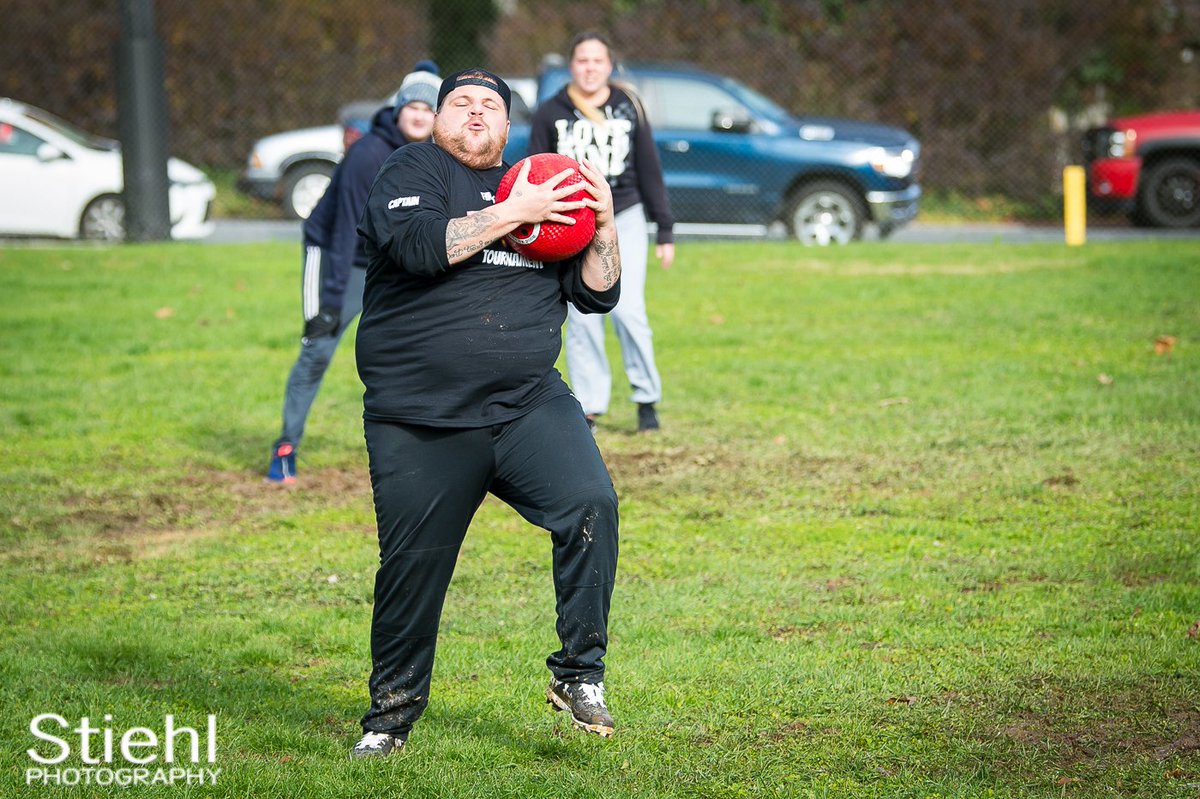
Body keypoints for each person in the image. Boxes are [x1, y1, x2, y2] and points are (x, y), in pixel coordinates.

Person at [349, 69, 623, 758]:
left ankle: (579, 673)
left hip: (528, 404)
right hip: (422, 418)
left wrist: (601, 225)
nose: (476, 113)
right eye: (461, 103)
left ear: (509, 126)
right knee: (414, 570)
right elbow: (418, 248)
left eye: (491, 105)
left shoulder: (537, 182)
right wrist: (514, 210)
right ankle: (390, 719)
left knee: (592, 502)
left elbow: (598, 295)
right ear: (438, 119)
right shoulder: (411, 168)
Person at [266, 64, 441, 484]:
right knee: (318, 347)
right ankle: (285, 449)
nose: (419, 115)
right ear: (398, 110)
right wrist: (326, 303)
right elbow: (344, 230)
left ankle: (430, 452)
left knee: (423, 352)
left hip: (387, 264)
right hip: (337, 257)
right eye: (412, 106)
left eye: (427, 108)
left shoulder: (435, 156)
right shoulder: (369, 154)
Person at [528, 32, 675, 434]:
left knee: (628, 311)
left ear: (609, 66)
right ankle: (589, 407)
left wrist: (665, 229)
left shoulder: (628, 106)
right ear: (572, 66)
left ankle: (646, 400)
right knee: (581, 315)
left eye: (597, 60)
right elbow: (533, 169)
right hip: (571, 222)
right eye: (582, 60)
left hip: (623, 216)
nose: (590, 68)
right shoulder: (550, 111)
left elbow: (649, 168)